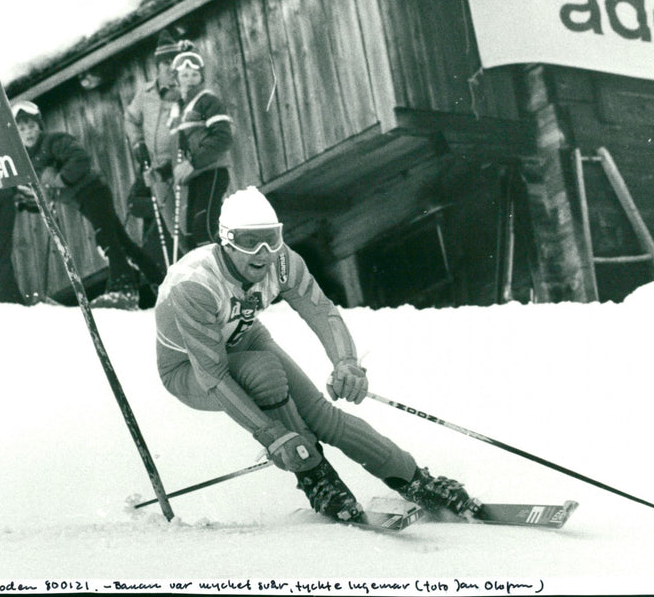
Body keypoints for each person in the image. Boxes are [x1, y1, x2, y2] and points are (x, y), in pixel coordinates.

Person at [154, 186, 471, 522]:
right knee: (266, 372)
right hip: (189, 366)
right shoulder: (196, 285)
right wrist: (272, 436)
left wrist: (346, 363)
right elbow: (214, 376)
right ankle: (317, 478)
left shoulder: (282, 262)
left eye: (271, 239)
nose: (263, 253)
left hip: (243, 337)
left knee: (322, 415)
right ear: (226, 241)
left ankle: (415, 481)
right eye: (249, 241)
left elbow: (320, 309)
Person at [11, 100, 163, 309]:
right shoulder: (29, 158)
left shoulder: (54, 141)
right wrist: (35, 201)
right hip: (80, 201)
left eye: (31, 126)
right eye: (22, 129)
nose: (28, 133)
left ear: (39, 126)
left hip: (93, 191)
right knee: (122, 242)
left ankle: (124, 288)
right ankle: (160, 280)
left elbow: (80, 159)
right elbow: (44, 186)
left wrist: (60, 179)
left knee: (106, 237)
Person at [158, 41, 232, 256]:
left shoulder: (207, 101)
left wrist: (192, 164)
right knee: (189, 234)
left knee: (204, 229)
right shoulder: (177, 110)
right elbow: (179, 149)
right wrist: (162, 171)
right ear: (176, 79)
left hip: (211, 172)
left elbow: (223, 138)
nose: (190, 79)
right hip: (195, 178)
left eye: (194, 75)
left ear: (201, 77)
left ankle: (226, 275)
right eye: (184, 75)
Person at [123, 29, 182, 270]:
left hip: (179, 165)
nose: (170, 67)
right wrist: (137, 143)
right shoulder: (146, 94)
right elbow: (130, 118)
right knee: (164, 221)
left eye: (173, 62)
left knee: (183, 223)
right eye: (165, 63)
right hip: (154, 168)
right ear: (157, 66)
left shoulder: (183, 91)